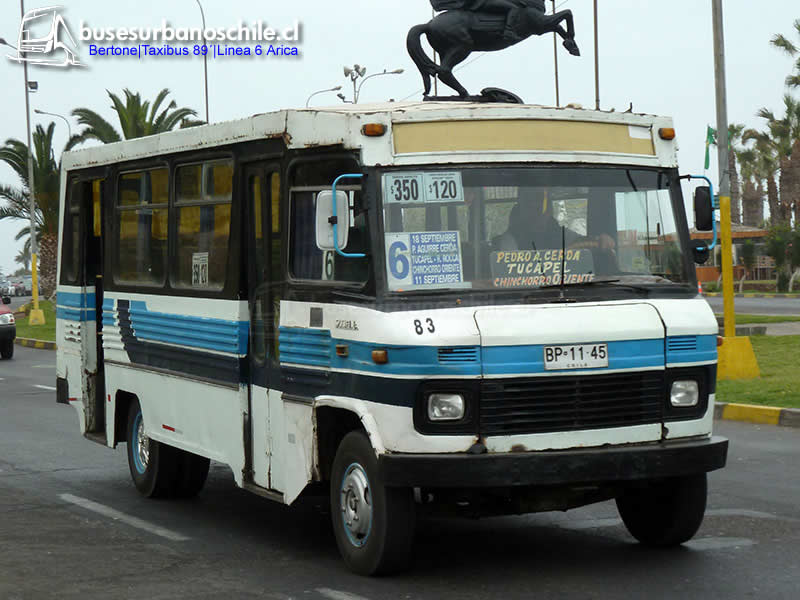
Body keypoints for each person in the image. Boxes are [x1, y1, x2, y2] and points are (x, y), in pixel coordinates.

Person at [493, 190, 615, 252]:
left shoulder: (561, 234)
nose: (537, 213)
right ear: (523, 212)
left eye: (542, 208)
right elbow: (512, 274)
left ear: (550, 211)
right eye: (531, 208)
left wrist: (601, 240)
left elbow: (582, 242)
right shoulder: (509, 240)